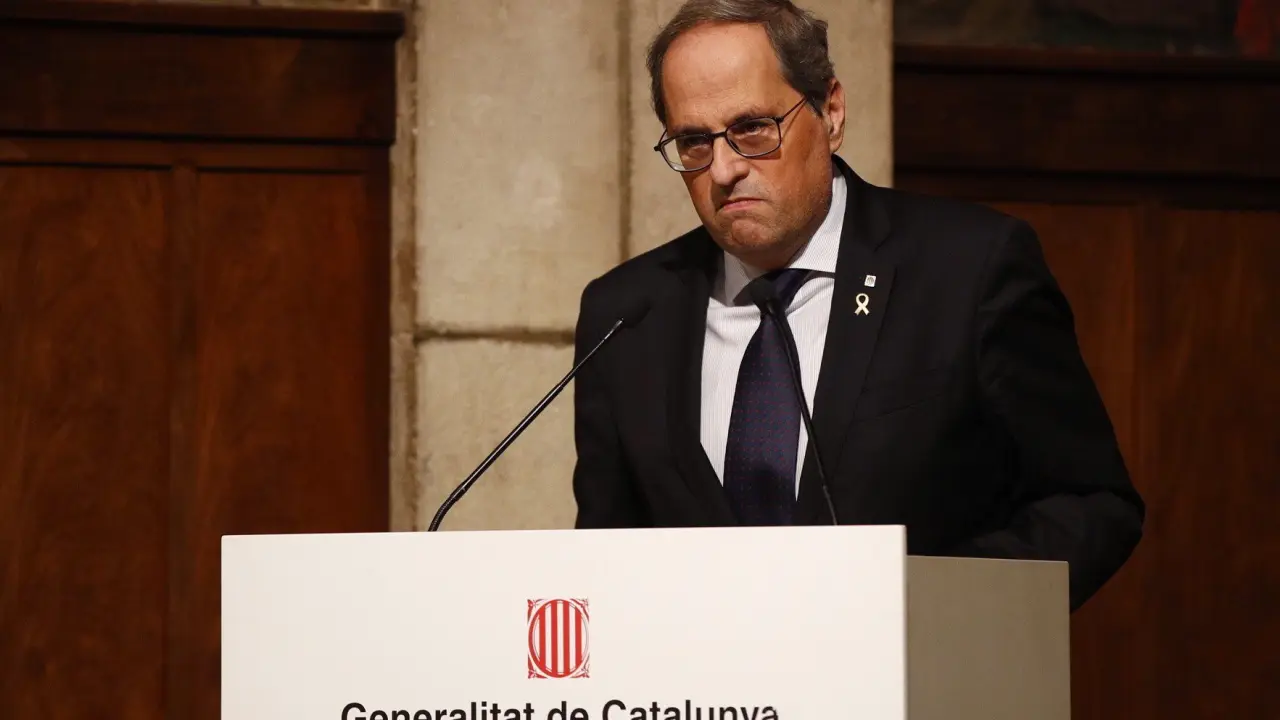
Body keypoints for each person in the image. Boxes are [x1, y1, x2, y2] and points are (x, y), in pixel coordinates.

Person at [570, 0, 1143, 611]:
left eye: (753, 129)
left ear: (832, 112)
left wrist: (929, 611)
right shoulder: (626, 314)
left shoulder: (968, 270)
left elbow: (1090, 504)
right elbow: (606, 558)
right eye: (693, 142)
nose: (725, 170)